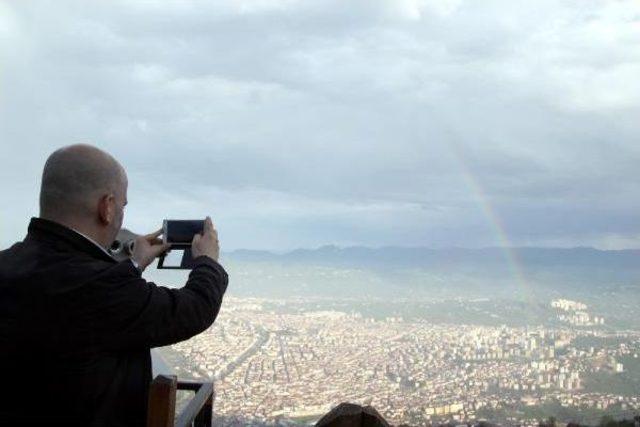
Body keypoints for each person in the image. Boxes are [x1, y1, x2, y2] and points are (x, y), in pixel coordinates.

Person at [0, 144, 229, 426]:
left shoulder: (7, 264)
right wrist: (208, 261)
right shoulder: (100, 287)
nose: (121, 213)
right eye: (122, 205)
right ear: (106, 207)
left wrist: (134, 264)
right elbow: (194, 309)